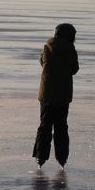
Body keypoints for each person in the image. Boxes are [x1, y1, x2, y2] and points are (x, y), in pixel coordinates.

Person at [33, 23, 79, 168]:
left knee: (44, 126)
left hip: (46, 94)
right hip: (63, 95)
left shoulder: (47, 46)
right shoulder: (71, 49)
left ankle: (40, 157)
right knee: (61, 127)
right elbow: (74, 69)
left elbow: (42, 62)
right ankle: (62, 158)